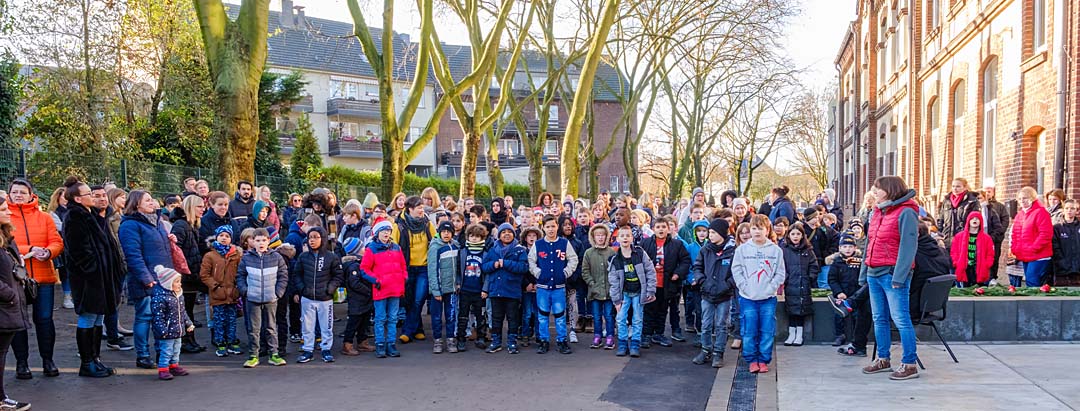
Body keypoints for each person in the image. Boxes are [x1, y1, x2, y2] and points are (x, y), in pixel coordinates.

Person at [860, 176, 920, 380]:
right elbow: (870, 243)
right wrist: (863, 271)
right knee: (879, 318)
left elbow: (908, 246)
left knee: (901, 319)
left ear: (890, 189)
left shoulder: (907, 212)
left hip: (891, 273)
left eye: (878, 188)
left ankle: (910, 363)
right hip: (873, 272)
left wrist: (899, 276)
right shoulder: (877, 211)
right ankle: (883, 359)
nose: (874, 191)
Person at [61, 178, 123, 378]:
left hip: (101, 278)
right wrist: (94, 271)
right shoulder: (74, 217)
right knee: (88, 317)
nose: (94, 197)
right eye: (89, 194)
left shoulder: (92, 215)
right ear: (78, 199)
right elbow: (78, 252)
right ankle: (86, 362)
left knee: (98, 317)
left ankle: (95, 359)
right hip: (89, 281)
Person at [7, 179, 63, 379]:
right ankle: (22, 364)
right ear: (10, 194)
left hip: (43, 276)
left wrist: (48, 252)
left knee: (45, 320)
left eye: (23, 191)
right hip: (15, 278)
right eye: (15, 192)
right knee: (18, 322)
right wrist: (30, 250)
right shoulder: (4, 217)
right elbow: (5, 245)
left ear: (31, 194)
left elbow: (56, 241)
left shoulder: (45, 217)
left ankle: (48, 360)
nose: (19, 195)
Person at [119, 190, 178, 370]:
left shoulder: (157, 222)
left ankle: (162, 353)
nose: (153, 202)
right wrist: (146, 277)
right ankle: (143, 355)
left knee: (161, 317)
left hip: (163, 278)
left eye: (152, 199)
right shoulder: (130, 225)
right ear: (137, 204)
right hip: (146, 279)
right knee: (145, 316)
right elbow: (133, 255)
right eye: (148, 200)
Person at [732, 214, 785, 374]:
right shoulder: (742, 250)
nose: (757, 232)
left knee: (767, 330)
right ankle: (752, 359)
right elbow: (737, 270)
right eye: (754, 228)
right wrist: (744, 286)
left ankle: (763, 359)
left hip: (768, 298)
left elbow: (780, 273)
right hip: (748, 297)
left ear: (767, 230)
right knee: (749, 330)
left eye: (760, 228)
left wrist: (771, 288)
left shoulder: (775, 250)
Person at [236, 228, 289, 367]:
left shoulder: (276, 257)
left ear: (268, 241)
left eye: (263, 240)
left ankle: (274, 354)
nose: (260, 243)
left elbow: (283, 275)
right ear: (252, 242)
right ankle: (254, 355)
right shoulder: (246, 258)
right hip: (252, 299)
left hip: (271, 298)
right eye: (257, 240)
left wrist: (278, 293)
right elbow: (240, 276)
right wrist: (245, 291)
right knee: (254, 329)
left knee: (271, 327)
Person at [291, 226, 343, 363]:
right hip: (307, 298)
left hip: (325, 299)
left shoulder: (331, 257)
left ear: (323, 239)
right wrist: (302, 289)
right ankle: (308, 350)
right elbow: (297, 274)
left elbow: (338, 276)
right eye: (310, 237)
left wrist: (330, 289)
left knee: (326, 326)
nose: (312, 240)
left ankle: (326, 349)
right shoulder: (303, 257)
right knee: (307, 326)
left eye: (316, 237)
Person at [528, 216, 578, 355]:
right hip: (543, 288)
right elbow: (531, 261)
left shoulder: (564, 243)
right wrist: (537, 273)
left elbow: (573, 259)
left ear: (557, 227)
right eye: (548, 226)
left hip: (559, 287)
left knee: (560, 315)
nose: (551, 229)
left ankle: (562, 340)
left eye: (553, 226)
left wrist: (565, 272)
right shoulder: (538, 244)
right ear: (543, 228)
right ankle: (544, 340)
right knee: (543, 315)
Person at [0, 196, 32, 410]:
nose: (9, 212)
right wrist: (9, 294)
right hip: (5, 304)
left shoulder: (7, 237)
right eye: (3, 209)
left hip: (9, 306)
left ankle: (1, 397)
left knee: (1, 354)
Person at [690, 219, 735, 368]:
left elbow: (736, 272)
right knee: (706, 323)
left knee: (722, 324)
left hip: (724, 294)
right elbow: (697, 267)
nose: (710, 236)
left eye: (713, 233)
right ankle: (705, 349)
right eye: (709, 232)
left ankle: (718, 353)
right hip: (707, 293)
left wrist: (727, 284)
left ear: (722, 233)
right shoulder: (706, 250)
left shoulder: (732, 251)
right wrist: (702, 280)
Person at [359, 220, 407, 358]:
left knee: (393, 318)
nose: (386, 233)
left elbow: (403, 265)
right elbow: (364, 269)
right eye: (383, 230)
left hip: (395, 288)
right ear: (377, 233)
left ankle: (391, 344)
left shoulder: (396, 248)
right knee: (380, 318)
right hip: (381, 289)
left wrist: (403, 277)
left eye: (388, 230)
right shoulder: (372, 249)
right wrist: (376, 280)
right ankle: (380, 343)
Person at [392, 196, 437, 344]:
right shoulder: (399, 225)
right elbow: (394, 246)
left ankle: (407, 331)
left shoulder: (427, 224)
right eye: (419, 208)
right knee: (410, 301)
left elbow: (436, 240)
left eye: (422, 208)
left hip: (424, 268)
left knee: (419, 299)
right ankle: (418, 329)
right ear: (410, 209)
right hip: (407, 268)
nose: (422, 211)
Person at [608, 224, 658, 357]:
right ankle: (623, 343)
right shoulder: (615, 259)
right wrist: (616, 300)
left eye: (628, 235)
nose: (625, 238)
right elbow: (613, 281)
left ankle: (635, 343)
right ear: (617, 239)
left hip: (638, 293)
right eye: (622, 236)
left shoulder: (640, 253)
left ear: (632, 238)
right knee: (621, 318)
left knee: (637, 318)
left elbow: (650, 271)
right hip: (624, 294)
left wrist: (651, 290)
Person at [641, 215, 691, 347]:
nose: (661, 230)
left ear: (669, 229)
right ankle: (646, 334)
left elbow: (685, 260)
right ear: (653, 229)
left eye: (664, 227)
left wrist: (678, 274)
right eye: (658, 227)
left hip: (667, 283)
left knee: (662, 310)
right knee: (649, 309)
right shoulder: (646, 243)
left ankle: (659, 333)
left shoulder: (677, 244)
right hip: (651, 283)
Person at [481, 223, 528, 354]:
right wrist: (494, 264)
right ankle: (496, 342)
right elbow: (484, 267)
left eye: (509, 231)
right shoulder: (493, 250)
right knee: (496, 317)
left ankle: (512, 342)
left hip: (512, 290)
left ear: (514, 234)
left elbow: (523, 267)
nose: (506, 234)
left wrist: (505, 263)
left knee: (513, 317)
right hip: (496, 290)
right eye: (503, 232)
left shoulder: (520, 250)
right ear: (499, 235)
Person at [172, 195, 209, 354]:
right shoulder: (181, 225)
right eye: (199, 207)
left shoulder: (191, 225)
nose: (203, 209)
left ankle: (190, 340)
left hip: (191, 274)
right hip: (184, 276)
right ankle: (186, 341)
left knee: (188, 310)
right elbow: (175, 250)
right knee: (185, 310)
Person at [200, 225, 243, 358]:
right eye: (221, 236)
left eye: (227, 236)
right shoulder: (210, 255)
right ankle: (220, 343)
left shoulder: (236, 255)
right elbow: (204, 274)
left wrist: (237, 287)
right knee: (219, 320)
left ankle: (232, 341)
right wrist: (215, 286)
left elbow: (240, 272)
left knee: (232, 319)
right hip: (218, 294)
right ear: (216, 237)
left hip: (232, 293)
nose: (224, 238)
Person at [828, 233, 870, 357]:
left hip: (857, 295)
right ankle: (840, 336)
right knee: (839, 317)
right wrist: (838, 292)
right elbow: (832, 279)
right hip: (842, 295)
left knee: (858, 319)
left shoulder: (859, 261)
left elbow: (863, 278)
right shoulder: (837, 262)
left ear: (855, 248)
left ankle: (855, 339)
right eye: (845, 246)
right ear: (840, 248)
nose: (847, 249)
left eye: (850, 246)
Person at [780, 222, 819, 347]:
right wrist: (785, 279)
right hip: (790, 284)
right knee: (791, 309)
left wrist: (809, 277)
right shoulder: (784, 250)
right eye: (793, 234)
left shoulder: (808, 250)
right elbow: (781, 266)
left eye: (798, 234)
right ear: (789, 235)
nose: (795, 236)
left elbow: (814, 265)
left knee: (801, 309)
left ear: (802, 235)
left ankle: (799, 334)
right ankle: (791, 333)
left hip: (804, 284)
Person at [150, 266, 193, 380]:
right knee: (166, 350)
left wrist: (188, 323)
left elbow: (183, 312)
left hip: (177, 329)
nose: (180, 284)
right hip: (167, 331)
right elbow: (158, 316)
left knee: (176, 349)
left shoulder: (178, 296)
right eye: (177, 282)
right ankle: (163, 369)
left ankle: (174, 366)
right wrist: (163, 330)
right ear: (168, 283)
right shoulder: (160, 297)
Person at [1010, 187, 1054, 287]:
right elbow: (1015, 234)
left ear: (1033, 198)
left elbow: (1045, 234)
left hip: (1039, 255)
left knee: (1032, 281)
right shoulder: (1020, 214)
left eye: (1025, 198)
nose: (1022, 201)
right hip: (1026, 255)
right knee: (1030, 281)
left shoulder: (1041, 212)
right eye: (1020, 198)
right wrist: (1015, 249)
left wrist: (1033, 248)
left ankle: (1036, 302)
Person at [426, 222, 459, 354]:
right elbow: (432, 270)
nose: (446, 234)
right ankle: (438, 340)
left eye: (449, 231)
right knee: (436, 317)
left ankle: (451, 339)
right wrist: (435, 290)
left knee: (451, 316)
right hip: (438, 290)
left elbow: (457, 267)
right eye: (444, 231)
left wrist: (458, 282)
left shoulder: (456, 246)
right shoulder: (435, 247)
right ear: (439, 232)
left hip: (451, 289)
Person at [582, 224, 616, 350]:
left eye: (603, 235)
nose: (600, 238)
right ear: (593, 237)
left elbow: (615, 270)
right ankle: (597, 335)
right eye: (598, 235)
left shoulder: (611, 252)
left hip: (609, 291)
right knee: (596, 316)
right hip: (594, 292)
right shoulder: (588, 253)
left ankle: (610, 336)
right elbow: (585, 271)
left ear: (607, 236)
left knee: (609, 315)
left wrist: (613, 285)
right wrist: (591, 283)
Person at [455, 224, 488, 352]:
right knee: (463, 315)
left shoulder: (485, 254)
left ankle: (481, 337)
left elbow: (488, 274)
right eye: (472, 236)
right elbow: (458, 269)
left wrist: (485, 289)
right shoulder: (463, 252)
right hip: (465, 290)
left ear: (482, 238)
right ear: (468, 237)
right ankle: (461, 339)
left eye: (477, 236)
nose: (474, 238)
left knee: (480, 316)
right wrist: (458, 283)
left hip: (479, 291)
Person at [558, 215, 586, 343]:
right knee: (560, 307)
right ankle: (562, 331)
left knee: (573, 306)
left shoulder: (577, 243)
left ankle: (573, 330)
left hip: (573, 280)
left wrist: (574, 276)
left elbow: (581, 262)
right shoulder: (557, 242)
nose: (568, 227)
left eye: (570, 224)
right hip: (558, 280)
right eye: (565, 224)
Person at [950, 212, 995, 287]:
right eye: (972, 218)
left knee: (980, 291)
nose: (975, 220)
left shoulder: (987, 238)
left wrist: (987, 264)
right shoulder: (959, 237)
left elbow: (990, 254)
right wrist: (956, 263)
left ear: (980, 221)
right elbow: (954, 252)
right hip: (964, 268)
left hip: (980, 268)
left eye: (977, 218)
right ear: (968, 221)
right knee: (965, 292)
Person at [682, 220, 709, 336]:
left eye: (704, 231)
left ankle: (704, 328)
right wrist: (691, 278)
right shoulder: (690, 247)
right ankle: (694, 326)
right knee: (693, 304)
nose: (702, 233)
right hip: (693, 282)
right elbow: (687, 264)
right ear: (695, 233)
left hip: (707, 281)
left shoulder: (710, 246)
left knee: (705, 307)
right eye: (699, 231)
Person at [937, 178, 979, 248]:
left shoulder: (972, 201)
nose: (955, 189)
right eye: (953, 186)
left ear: (965, 187)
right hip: (947, 238)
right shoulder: (947, 200)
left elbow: (976, 221)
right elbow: (941, 219)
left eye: (958, 186)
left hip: (964, 238)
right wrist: (939, 234)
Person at [1052, 200, 1080, 284]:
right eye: (1067, 208)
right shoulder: (1057, 228)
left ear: (1077, 211)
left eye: (1072, 208)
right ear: (1063, 210)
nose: (1069, 210)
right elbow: (1055, 247)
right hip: (1062, 270)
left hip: (1078, 270)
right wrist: (1062, 262)